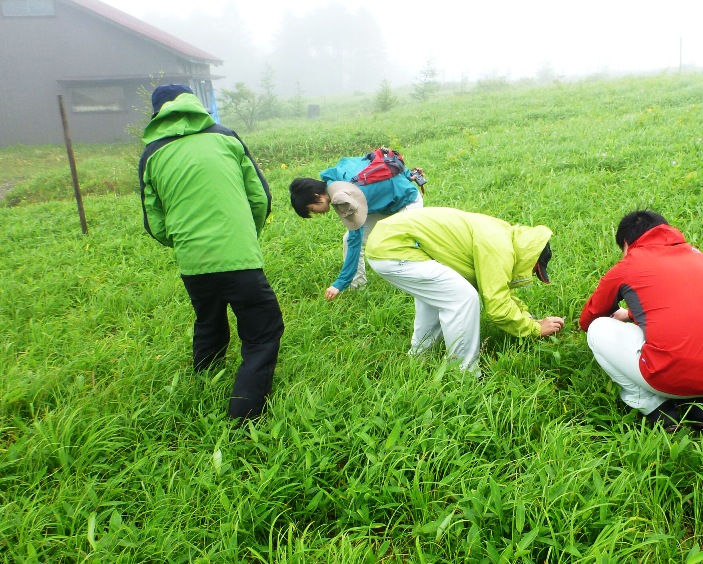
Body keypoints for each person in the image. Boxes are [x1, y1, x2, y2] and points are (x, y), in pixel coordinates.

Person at [138, 84, 284, 420]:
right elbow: (260, 197)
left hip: (193, 263)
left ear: (158, 112)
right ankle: (244, 415)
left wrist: (187, 244)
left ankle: (205, 378)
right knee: (263, 333)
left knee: (208, 319)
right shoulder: (226, 137)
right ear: (195, 103)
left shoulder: (152, 153)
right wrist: (246, 236)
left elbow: (154, 222)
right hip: (240, 258)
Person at [578, 210, 703, 431]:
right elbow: (684, 304)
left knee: (597, 329)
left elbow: (589, 318)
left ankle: (657, 410)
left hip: (670, 379)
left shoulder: (628, 264)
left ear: (626, 244)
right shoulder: (697, 255)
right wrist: (631, 314)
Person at [365, 207, 565, 374]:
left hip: (388, 242)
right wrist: (535, 330)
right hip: (396, 248)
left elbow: (500, 291)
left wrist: (529, 319)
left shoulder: (503, 237)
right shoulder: (499, 249)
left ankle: (420, 356)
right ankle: (464, 373)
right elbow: (497, 306)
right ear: (531, 259)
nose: (530, 273)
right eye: (534, 270)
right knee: (463, 297)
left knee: (442, 293)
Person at [289, 149, 424, 301]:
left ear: (316, 196)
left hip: (407, 202)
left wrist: (339, 284)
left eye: (312, 210)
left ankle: (423, 279)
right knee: (348, 239)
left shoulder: (343, 198)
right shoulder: (336, 175)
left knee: (397, 242)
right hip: (383, 205)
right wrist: (406, 175)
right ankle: (358, 288)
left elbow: (356, 239)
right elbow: (370, 162)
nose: (316, 214)